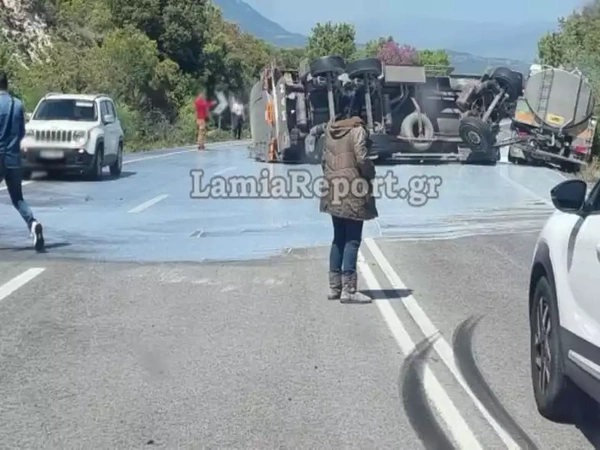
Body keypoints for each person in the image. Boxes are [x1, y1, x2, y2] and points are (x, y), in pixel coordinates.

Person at [319, 116, 377, 302]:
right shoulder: (357, 130)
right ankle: (349, 290)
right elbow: (362, 158)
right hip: (352, 189)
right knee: (352, 239)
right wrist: (370, 173)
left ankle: (334, 287)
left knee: (339, 237)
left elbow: (323, 161)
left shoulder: (330, 130)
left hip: (333, 189)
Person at [0, 71, 45, 251]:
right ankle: (33, 224)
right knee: (18, 198)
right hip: (13, 158)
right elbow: (21, 133)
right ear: (7, 84)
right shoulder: (17, 104)